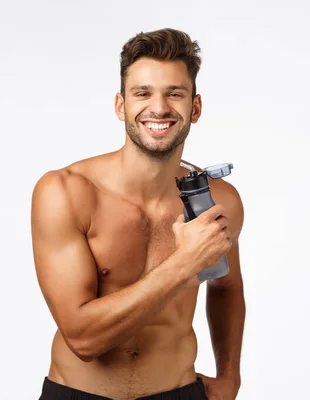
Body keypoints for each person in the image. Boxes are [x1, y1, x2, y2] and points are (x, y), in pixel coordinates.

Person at [30, 28, 246, 400]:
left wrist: (229, 377)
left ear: (194, 108)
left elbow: (226, 287)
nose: (159, 108)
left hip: (178, 392)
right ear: (121, 106)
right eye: (142, 93)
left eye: (174, 94)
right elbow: (83, 338)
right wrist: (185, 262)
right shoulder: (65, 192)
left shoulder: (218, 199)